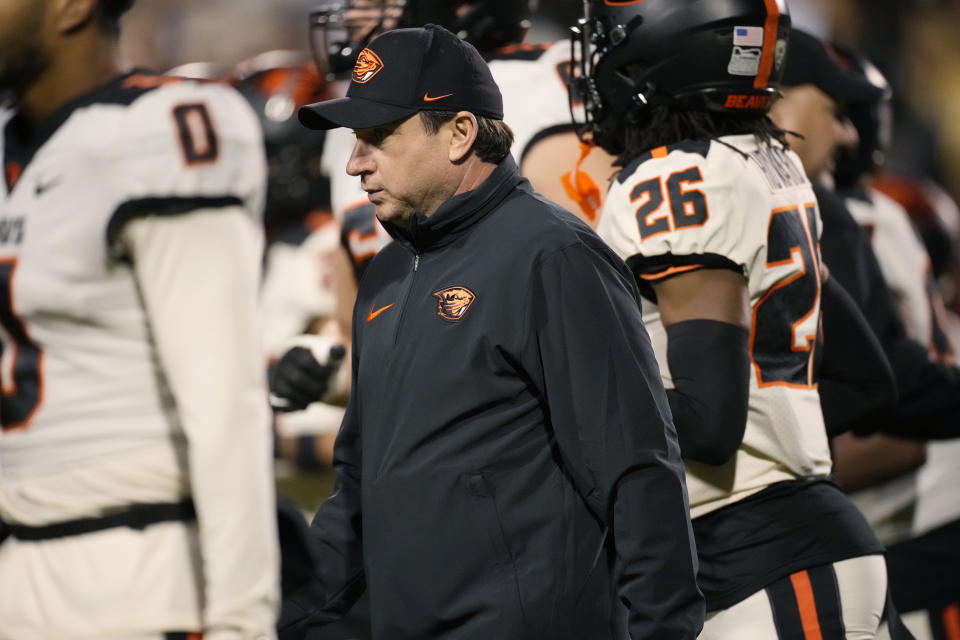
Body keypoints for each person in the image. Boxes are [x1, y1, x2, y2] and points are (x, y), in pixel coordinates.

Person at [279, 24, 704, 640]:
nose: (354, 163)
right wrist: (291, 616)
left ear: (459, 133)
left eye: (378, 136)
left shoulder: (554, 255)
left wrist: (662, 631)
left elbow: (637, 470)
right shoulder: (388, 271)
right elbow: (357, 487)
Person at [581, 1, 898, 637]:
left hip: (764, 563)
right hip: (797, 550)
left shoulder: (676, 177)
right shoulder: (762, 158)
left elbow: (708, 419)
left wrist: (560, 400)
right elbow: (869, 381)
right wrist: (779, 433)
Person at [0, 1, 279, 638]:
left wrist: (241, 620)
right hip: (17, 571)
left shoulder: (158, 129)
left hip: (135, 577)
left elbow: (224, 408)